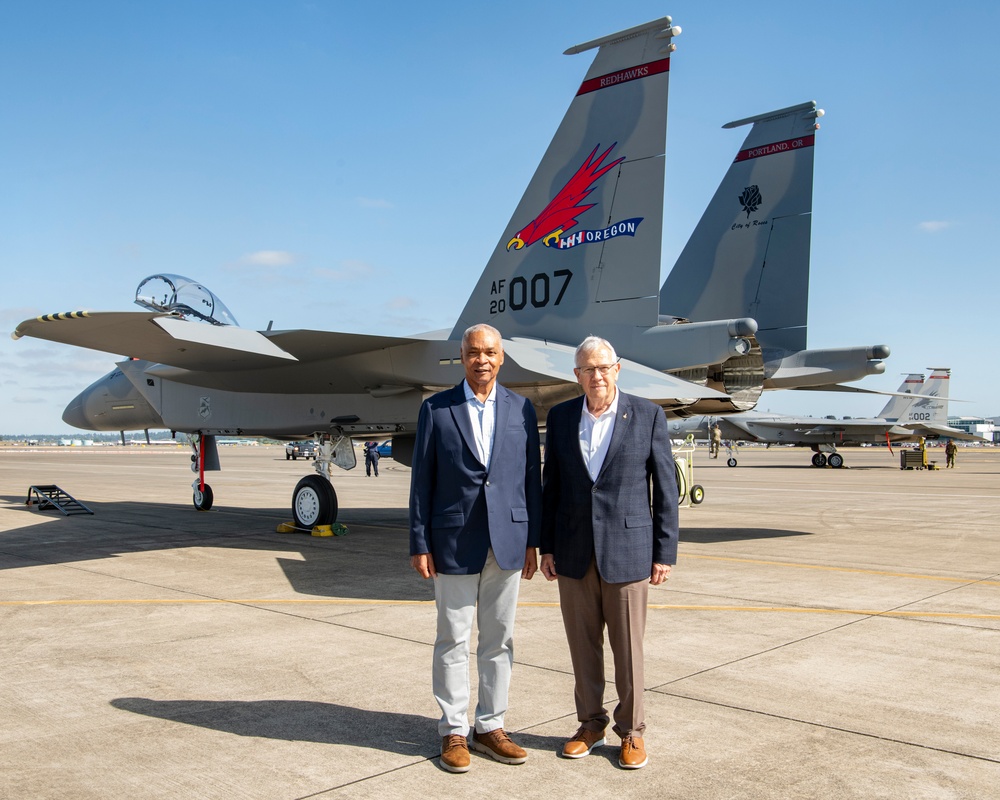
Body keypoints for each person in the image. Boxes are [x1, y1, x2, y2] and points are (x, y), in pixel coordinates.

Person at [540, 335, 678, 770]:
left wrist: (664, 552)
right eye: (587, 369)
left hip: (629, 549)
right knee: (582, 648)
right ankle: (590, 724)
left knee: (628, 651)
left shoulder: (648, 415)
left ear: (617, 369)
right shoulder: (561, 418)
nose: (596, 376)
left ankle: (632, 731)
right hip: (573, 552)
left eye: (603, 367)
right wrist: (547, 546)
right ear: (576, 375)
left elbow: (666, 490)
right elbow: (552, 488)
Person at [409, 323, 542, 773]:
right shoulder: (436, 409)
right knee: (453, 638)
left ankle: (490, 726)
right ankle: (452, 730)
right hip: (453, 540)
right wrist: (419, 540)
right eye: (472, 353)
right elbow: (421, 482)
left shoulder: (521, 409)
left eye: (489, 352)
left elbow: (530, 480)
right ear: (461, 358)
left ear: (501, 357)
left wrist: (533, 540)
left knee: (499, 639)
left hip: (507, 541)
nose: (481, 360)